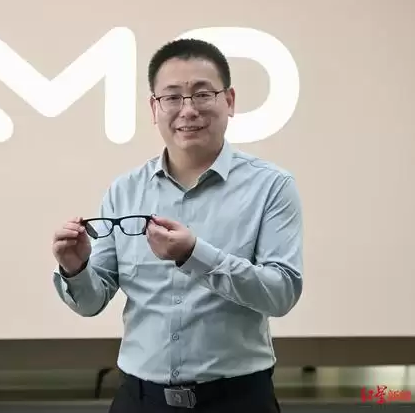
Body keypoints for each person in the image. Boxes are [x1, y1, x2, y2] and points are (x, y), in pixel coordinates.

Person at [50, 38, 303, 413]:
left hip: (237, 400)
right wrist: (76, 267)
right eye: (172, 97)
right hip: (140, 400)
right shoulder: (125, 190)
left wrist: (194, 254)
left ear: (229, 101)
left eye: (202, 94)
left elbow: (281, 293)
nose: (188, 110)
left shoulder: (271, 186)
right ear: (155, 108)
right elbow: (90, 302)